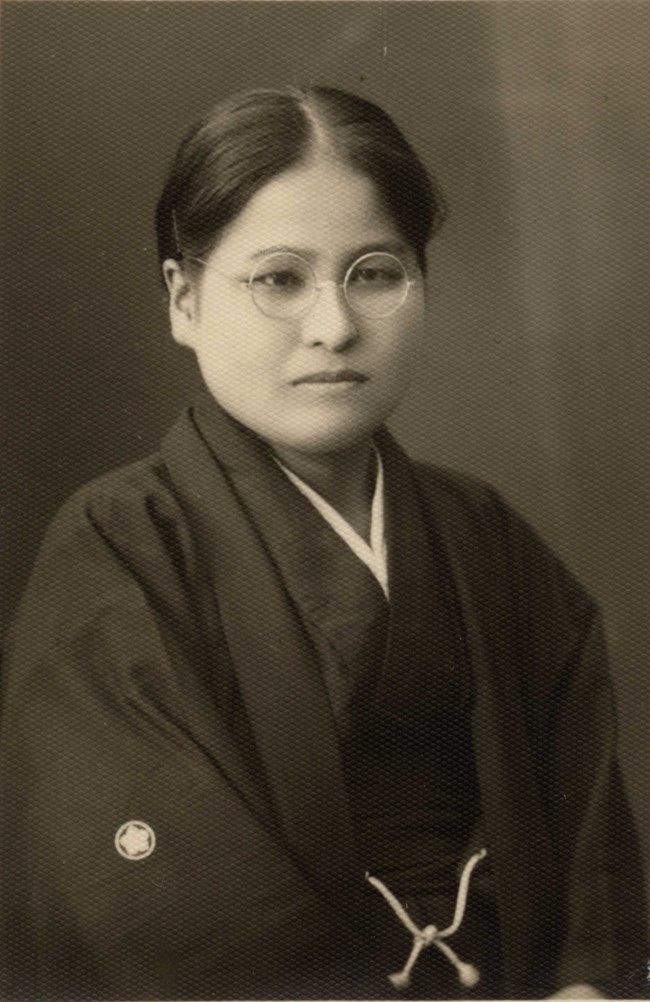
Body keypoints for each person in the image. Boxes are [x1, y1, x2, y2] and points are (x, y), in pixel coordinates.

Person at [0, 85, 646, 1001]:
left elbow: (596, 864)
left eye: (375, 272)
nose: (334, 327)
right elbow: (153, 912)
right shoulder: (120, 549)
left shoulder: (489, 537)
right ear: (183, 300)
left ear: (422, 287)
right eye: (278, 279)